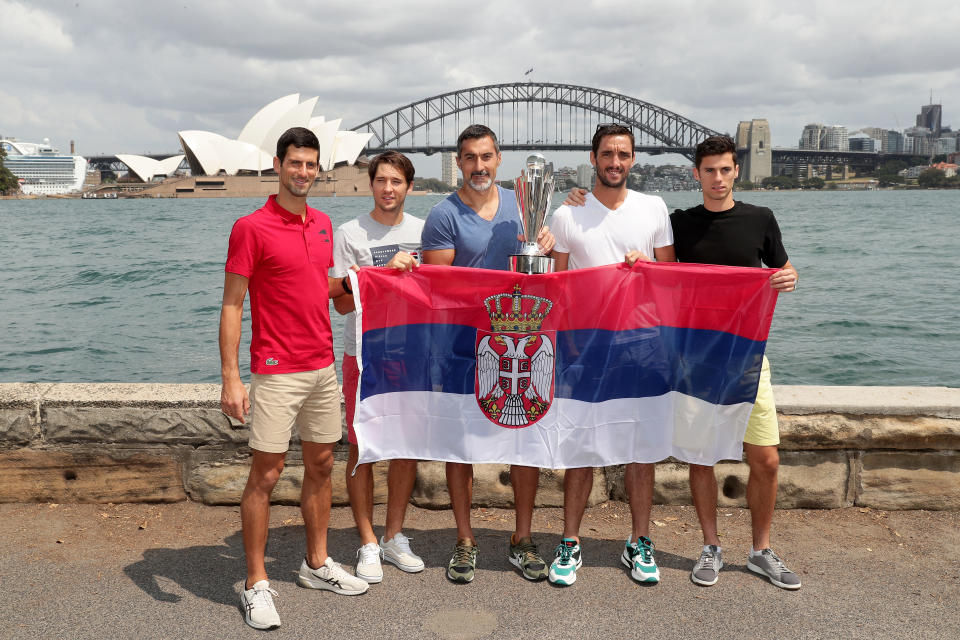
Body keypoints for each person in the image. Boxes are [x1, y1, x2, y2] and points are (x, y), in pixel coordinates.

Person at [219, 127, 368, 631]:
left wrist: (359, 280)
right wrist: (231, 378)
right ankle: (256, 583)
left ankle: (317, 564)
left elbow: (318, 286)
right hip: (277, 369)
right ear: (278, 165)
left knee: (322, 465)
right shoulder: (251, 227)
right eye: (295, 163)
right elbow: (233, 304)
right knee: (265, 473)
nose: (303, 172)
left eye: (311, 165)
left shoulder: (324, 224)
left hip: (322, 366)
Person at [420, 124, 555, 584]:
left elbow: (546, 277)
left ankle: (523, 538)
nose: (479, 166)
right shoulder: (443, 215)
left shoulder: (526, 209)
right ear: (459, 163)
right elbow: (439, 288)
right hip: (462, 346)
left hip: (521, 341)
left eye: (487, 156)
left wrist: (548, 252)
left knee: (525, 439)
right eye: (470, 158)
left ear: (500, 160)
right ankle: (465, 539)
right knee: (461, 447)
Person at [671, 135, 801, 590]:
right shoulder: (679, 224)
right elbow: (657, 269)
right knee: (701, 457)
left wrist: (788, 277)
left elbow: (786, 268)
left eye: (726, 169)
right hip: (697, 360)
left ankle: (760, 551)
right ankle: (711, 546)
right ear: (696, 174)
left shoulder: (761, 219)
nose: (719, 178)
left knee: (764, 458)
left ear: (735, 172)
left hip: (748, 355)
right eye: (710, 170)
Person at [549, 124, 675, 586]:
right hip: (586, 345)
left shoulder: (654, 208)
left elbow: (671, 277)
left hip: (642, 343)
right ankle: (570, 541)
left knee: (641, 451)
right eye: (607, 154)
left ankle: (640, 541)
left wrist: (649, 269)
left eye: (623, 154)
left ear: (633, 159)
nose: (615, 162)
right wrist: (569, 345)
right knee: (581, 447)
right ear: (593, 157)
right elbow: (558, 288)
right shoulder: (568, 214)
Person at [329, 151, 424, 584]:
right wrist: (383, 272)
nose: (389, 188)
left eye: (397, 181)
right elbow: (344, 303)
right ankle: (367, 540)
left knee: (404, 447)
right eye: (381, 180)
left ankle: (394, 535)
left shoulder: (425, 231)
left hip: (412, 354)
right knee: (361, 446)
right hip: (363, 354)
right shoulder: (349, 233)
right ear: (371, 184)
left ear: (408, 186)